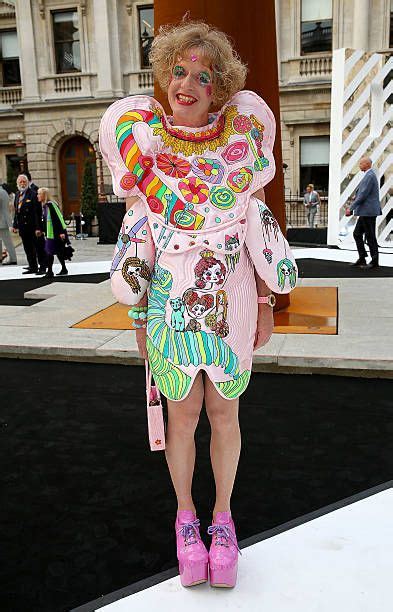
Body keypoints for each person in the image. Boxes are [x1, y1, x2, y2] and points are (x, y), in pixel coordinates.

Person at [100, 21, 297, 589]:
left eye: (202, 77)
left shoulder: (238, 152)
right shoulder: (148, 155)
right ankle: (187, 516)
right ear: (165, 78)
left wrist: (264, 301)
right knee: (182, 415)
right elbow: (140, 240)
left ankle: (224, 518)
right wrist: (138, 315)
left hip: (230, 305)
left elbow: (256, 234)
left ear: (219, 89)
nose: (187, 84)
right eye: (179, 72)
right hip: (169, 309)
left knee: (225, 413)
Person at [347, 157, 381, 268]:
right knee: (357, 234)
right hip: (365, 212)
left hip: (368, 212)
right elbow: (362, 193)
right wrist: (355, 197)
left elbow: (363, 195)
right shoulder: (368, 175)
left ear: (366, 164)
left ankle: (374, 261)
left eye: (361, 163)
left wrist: (351, 208)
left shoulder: (370, 175)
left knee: (370, 236)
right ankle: (362, 258)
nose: (359, 165)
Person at [12, 174, 44, 274]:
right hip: (23, 227)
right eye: (20, 182)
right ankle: (32, 266)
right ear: (17, 184)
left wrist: (38, 228)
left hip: (33, 227)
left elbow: (37, 212)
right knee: (28, 248)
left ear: (28, 183)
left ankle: (42, 267)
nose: (22, 184)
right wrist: (15, 225)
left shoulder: (33, 194)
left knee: (38, 248)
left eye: (24, 182)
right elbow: (17, 211)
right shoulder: (17, 195)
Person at [37, 187, 71, 278]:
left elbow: (57, 219)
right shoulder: (45, 206)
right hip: (50, 233)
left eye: (39, 194)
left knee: (49, 252)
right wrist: (42, 230)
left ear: (44, 195)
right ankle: (63, 269)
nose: (37, 196)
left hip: (54, 233)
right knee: (58, 251)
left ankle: (50, 271)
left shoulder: (50, 205)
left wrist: (61, 232)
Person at [0, 182, 17, 265]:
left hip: (2, 222)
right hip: (2, 221)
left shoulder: (1, 192)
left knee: (7, 242)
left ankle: (13, 259)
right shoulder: (3, 192)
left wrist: (10, 224)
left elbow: (4, 209)